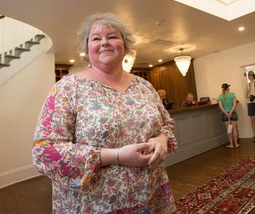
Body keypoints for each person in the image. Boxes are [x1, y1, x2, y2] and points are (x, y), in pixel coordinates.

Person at [32, 12, 177, 213]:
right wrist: (115, 156)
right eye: (96, 38)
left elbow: (166, 123)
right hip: (94, 204)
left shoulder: (144, 86)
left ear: (125, 46)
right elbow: (44, 152)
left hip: (150, 195)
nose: (105, 42)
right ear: (87, 49)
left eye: (112, 36)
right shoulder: (68, 88)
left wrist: (161, 139)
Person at [217, 83, 240, 148]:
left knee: (229, 129)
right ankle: (236, 144)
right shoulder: (232, 95)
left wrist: (227, 114)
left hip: (225, 114)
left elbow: (221, 107)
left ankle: (231, 144)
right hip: (233, 113)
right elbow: (234, 104)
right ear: (228, 88)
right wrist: (231, 112)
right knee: (234, 129)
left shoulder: (220, 96)